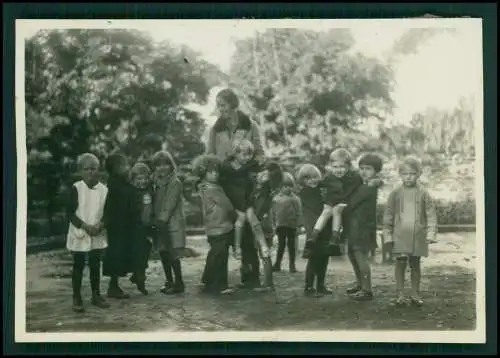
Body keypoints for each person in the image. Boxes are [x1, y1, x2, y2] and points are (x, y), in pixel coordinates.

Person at [205, 88, 266, 290]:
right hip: (222, 183)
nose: (220, 109)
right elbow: (209, 157)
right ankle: (212, 278)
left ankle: (250, 277)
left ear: (233, 105)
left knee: (247, 230)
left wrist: (248, 165)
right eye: (218, 105)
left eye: (223, 104)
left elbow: (260, 153)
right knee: (221, 231)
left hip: (244, 183)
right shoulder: (215, 129)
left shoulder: (251, 126)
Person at [383, 156, 437, 306]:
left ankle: (415, 294)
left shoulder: (423, 192)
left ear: (419, 174)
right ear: (400, 174)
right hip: (400, 235)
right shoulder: (395, 193)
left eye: (412, 173)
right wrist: (387, 234)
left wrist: (431, 233)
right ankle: (400, 294)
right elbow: (388, 213)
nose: (408, 177)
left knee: (415, 264)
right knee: (400, 264)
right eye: (405, 173)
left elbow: (431, 214)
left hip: (417, 235)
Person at [66, 153, 110, 313]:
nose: (91, 172)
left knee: (95, 264)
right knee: (78, 265)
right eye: (87, 169)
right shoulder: (76, 188)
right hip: (80, 231)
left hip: (97, 231)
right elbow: (69, 213)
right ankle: (76, 297)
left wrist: (101, 224)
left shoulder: (104, 190)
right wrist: (84, 226)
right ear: (80, 171)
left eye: (94, 169)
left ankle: (96, 295)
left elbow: (109, 211)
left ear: (99, 170)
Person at [303, 148, 364, 258]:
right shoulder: (329, 177)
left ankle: (334, 239)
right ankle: (313, 236)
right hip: (331, 200)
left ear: (349, 166)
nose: (338, 170)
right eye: (335, 167)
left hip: (344, 202)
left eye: (341, 167)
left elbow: (359, 187)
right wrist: (311, 183)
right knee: (326, 211)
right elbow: (319, 183)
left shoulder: (353, 177)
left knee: (336, 211)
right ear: (330, 166)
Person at [192, 154, 236, 295]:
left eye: (217, 171)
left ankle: (207, 281)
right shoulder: (213, 189)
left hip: (213, 227)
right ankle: (220, 285)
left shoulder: (204, 187)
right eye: (211, 172)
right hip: (220, 226)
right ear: (204, 173)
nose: (215, 174)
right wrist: (235, 215)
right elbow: (227, 205)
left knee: (214, 255)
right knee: (220, 257)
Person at [343, 153, 384, 301]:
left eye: (368, 169)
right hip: (355, 225)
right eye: (361, 168)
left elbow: (352, 203)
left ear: (376, 171)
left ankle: (367, 289)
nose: (363, 172)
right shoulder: (364, 185)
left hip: (362, 227)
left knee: (360, 255)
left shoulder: (368, 188)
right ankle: (360, 283)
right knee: (352, 254)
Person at [218, 139, 264, 262]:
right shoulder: (227, 166)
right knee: (241, 220)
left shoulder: (250, 166)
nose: (247, 158)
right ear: (236, 153)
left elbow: (255, 178)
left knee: (252, 219)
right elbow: (226, 179)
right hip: (234, 198)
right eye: (244, 154)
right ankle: (237, 248)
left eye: (250, 155)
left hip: (245, 197)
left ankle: (263, 244)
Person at [102, 152, 141, 299]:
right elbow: (111, 207)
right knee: (117, 255)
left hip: (125, 225)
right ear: (115, 169)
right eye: (124, 165)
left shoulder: (123, 184)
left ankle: (130, 278)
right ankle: (113, 286)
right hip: (118, 227)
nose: (128, 168)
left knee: (127, 253)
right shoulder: (113, 185)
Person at [151, 150, 187, 295]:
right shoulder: (155, 181)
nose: (162, 168)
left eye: (165, 164)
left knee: (173, 254)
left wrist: (161, 220)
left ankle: (179, 282)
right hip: (160, 222)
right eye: (159, 165)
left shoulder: (174, 182)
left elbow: (169, 204)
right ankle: (169, 281)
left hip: (170, 223)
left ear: (171, 165)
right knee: (163, 253)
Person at [297, 164, 334, 296]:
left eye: (314, 177)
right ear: (303, 181)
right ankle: (308, 286)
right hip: (313, 229)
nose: (311, 181)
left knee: (324, 257)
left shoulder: (320, 189)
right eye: (307, 179)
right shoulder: (305, 193)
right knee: (314, 258)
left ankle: (320, 285)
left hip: (324, 227)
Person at [247, 161, 284, 292]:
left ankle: (268, 284)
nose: (260, 175)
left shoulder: (265, 194)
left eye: (264, 175)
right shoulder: (264, 190)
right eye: (261, 172)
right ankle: (267, 282)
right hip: (264, 225)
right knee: (263, 253)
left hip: (263, 226)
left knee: (264, 253)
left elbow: (258, 212)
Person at [129, 162, 154, 295]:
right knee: (138, 253)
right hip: (135, 227)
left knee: (145, 252)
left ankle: (138, 275)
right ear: (133, 179)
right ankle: (140, 278)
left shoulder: (150, 190)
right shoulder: (132, 192)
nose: (143, 181)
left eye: (145, 178)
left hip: (147, 227)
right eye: (139, 179)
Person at [271, 172, 303, 273]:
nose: (288, 188)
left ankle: (292, 266)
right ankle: (277, 264)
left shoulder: (295, 199)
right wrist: (273, 225)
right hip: (280, 225)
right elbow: (273, 213)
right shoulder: (275, 199)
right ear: (280, 187)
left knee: (292, 246)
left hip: (291, 226)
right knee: (281, 246)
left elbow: (299, 213)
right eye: (285, 186)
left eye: (290, 186)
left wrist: (299, 225)